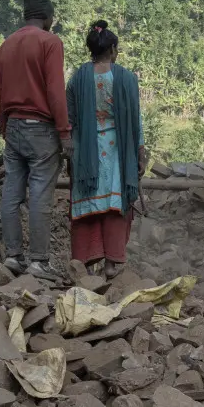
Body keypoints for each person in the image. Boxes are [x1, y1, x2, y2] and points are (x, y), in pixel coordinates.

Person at [0, 0, 70, 277]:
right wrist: (64, 132)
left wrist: (4, 126)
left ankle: (13, 256)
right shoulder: (50, 42)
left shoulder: (6, 45)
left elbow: (0, 91)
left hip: (13, 125)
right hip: (41, 129)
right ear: (48, 17)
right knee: (40, 194)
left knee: (12, 191)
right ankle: (39, 261)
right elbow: (55, 91)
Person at [66, 20, 145, 279]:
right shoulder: (125, 77)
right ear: (112, 49)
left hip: (85, 151)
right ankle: (110, 265)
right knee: (115, 205)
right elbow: (135, 121)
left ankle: (86, 264)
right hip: (118, 151)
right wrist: (140, 153)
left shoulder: (78, 77)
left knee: (87, 205)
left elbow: (70, 117)